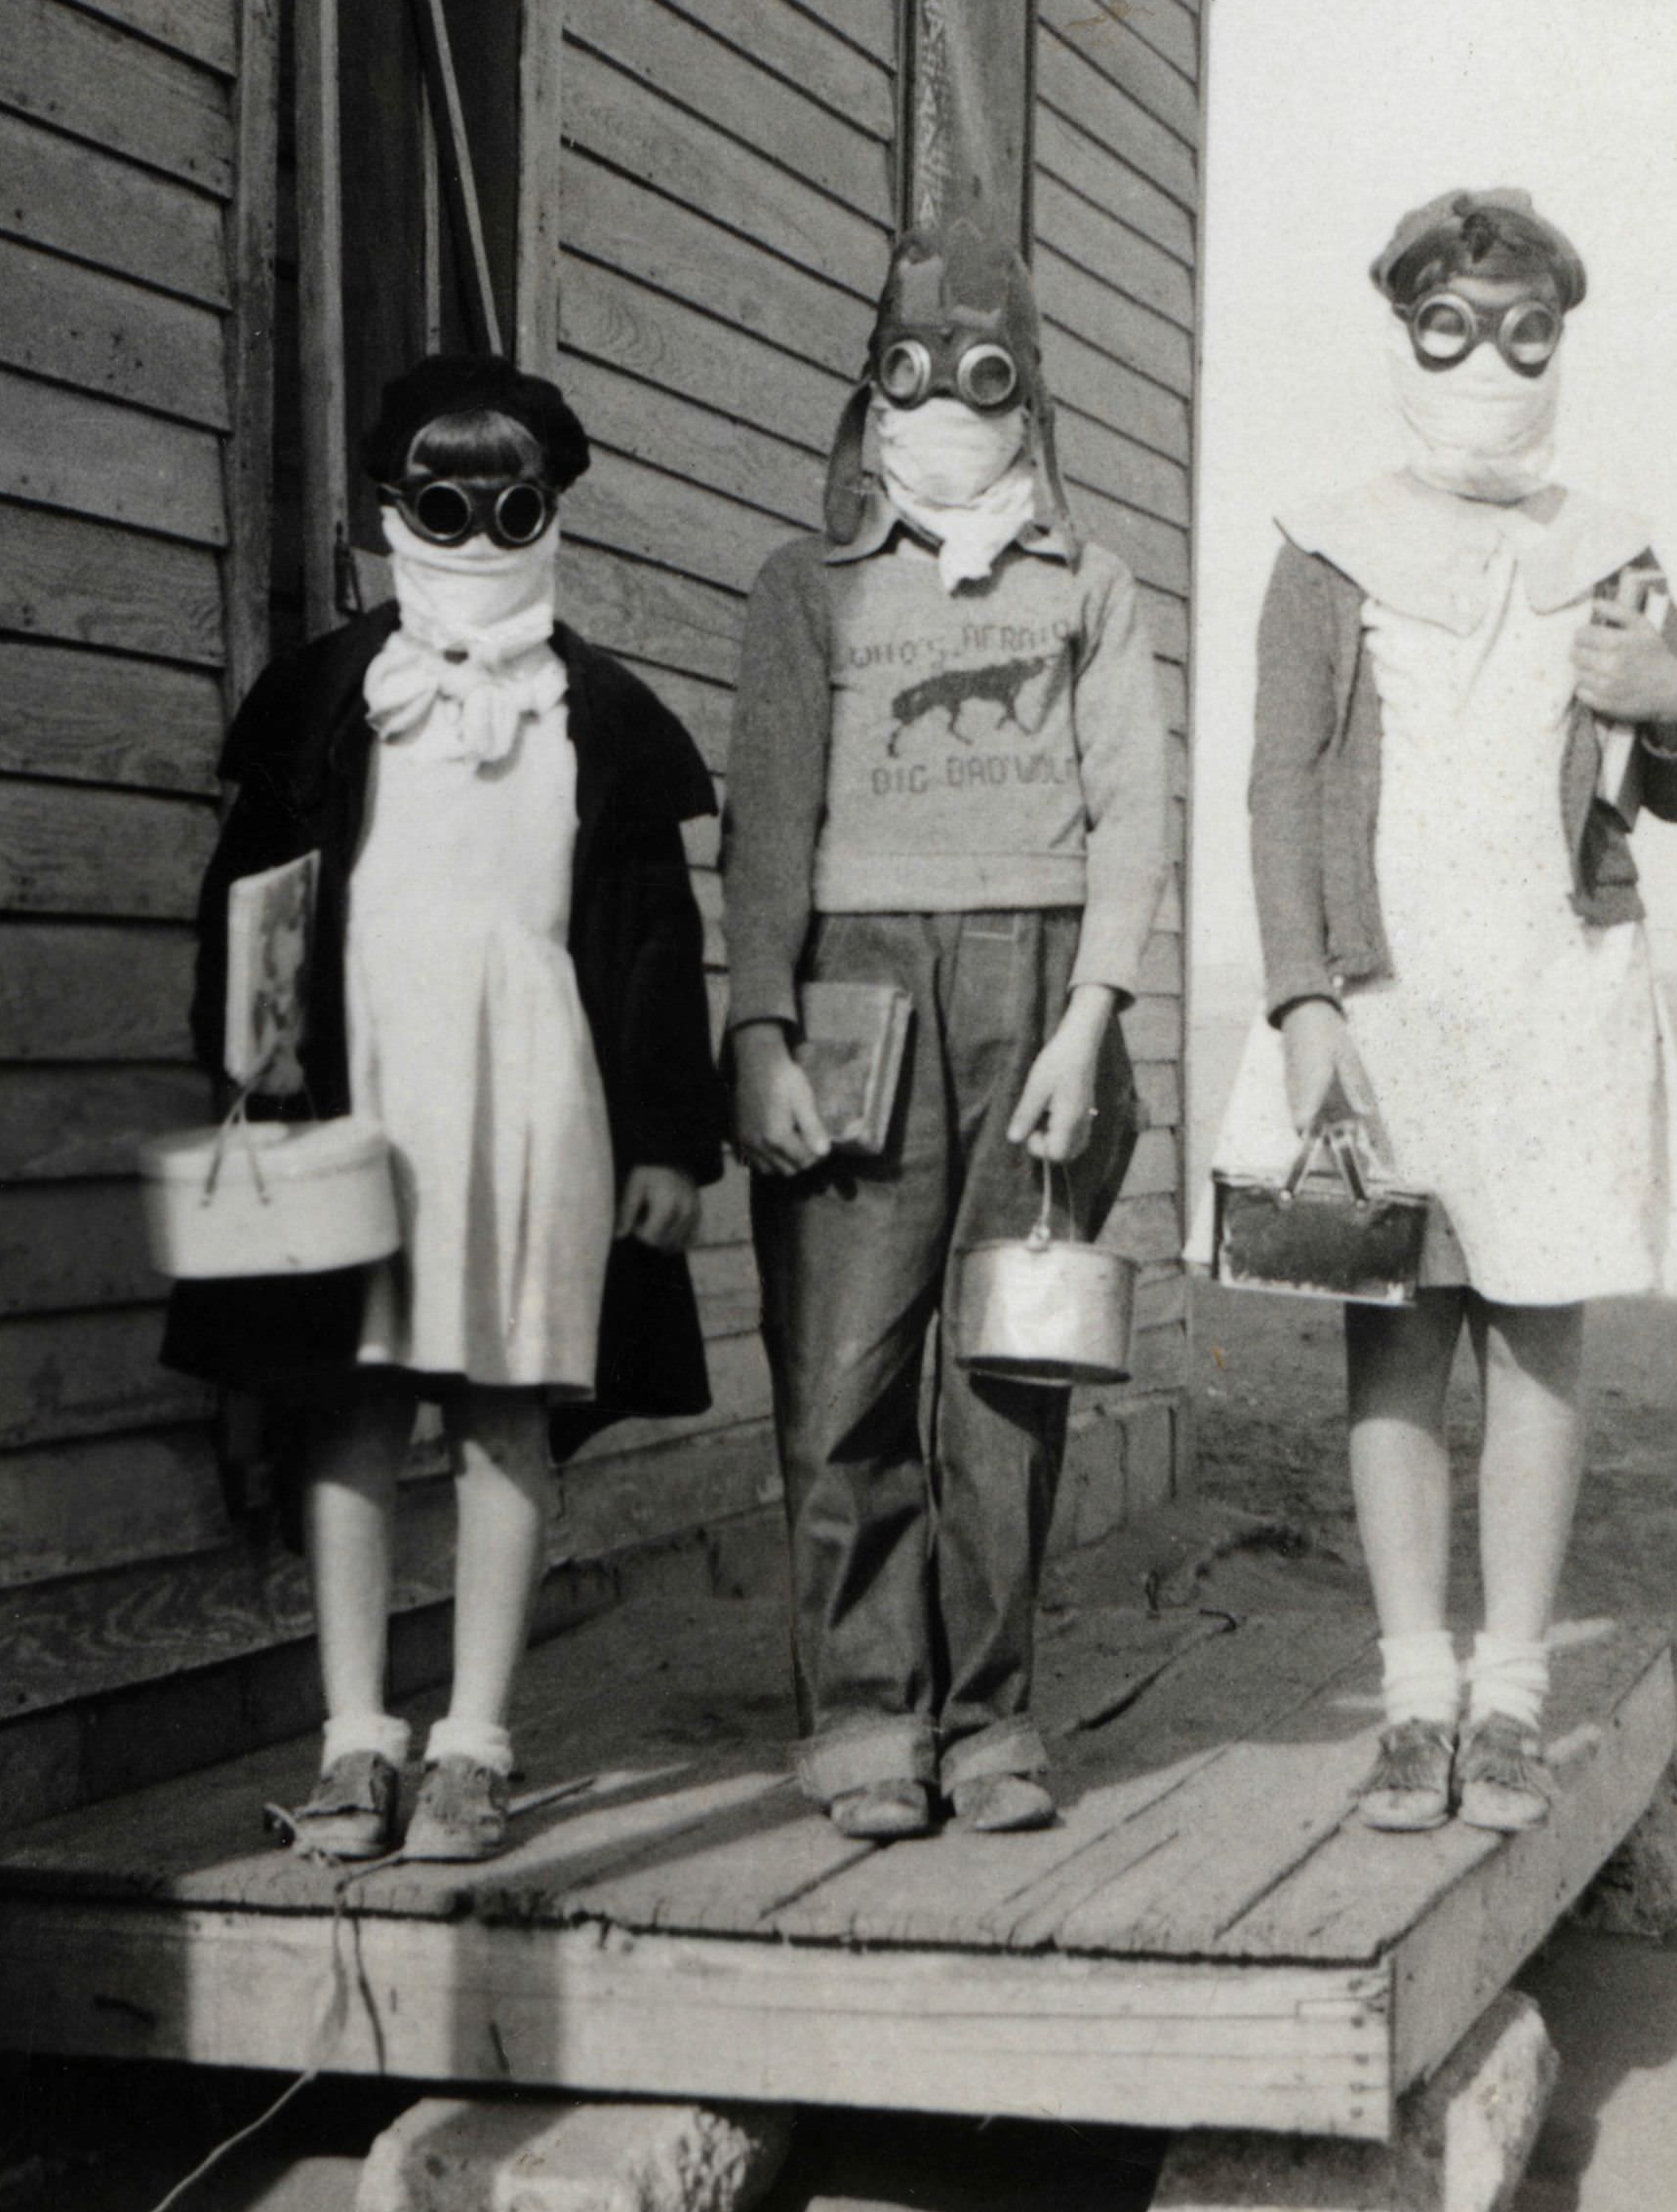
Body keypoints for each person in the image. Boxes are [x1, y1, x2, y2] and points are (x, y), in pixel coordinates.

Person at [166, 355, 728, 1865]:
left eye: (511, 505)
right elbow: (251, 906)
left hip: (532, 1096)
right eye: (443, 503)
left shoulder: (596, 717)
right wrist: (253, 1077)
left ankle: (474, 1741)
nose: (477, 535)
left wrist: (671, 1136)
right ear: (392, 509)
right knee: (342, 1405)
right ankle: (356, 1734)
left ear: (552, 512)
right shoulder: (329, 703)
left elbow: (656, 944)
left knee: (500, 1411)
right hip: (357, 1089)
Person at [1221, 187, 1677, 1837]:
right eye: (1455, 327)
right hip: (1389, 1004)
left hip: (1554, 999)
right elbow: (1278, 784)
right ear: (1405, 334)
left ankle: (1510, 1690)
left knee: (1540, 1331)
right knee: (1395, 1338)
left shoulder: (1612, 548)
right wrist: (1304, 1000)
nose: (1492, 361)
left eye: (1527, 331)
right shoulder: (1327, 541)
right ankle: (1413, 1691)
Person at [723, 221, 1170, 1841]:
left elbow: (1132, 814)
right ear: (870, 388)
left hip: (1037, 998)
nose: (944, 406)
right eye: (909, 373)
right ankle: (860, 1716)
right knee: (843, 1366)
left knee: (1008, 1361)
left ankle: (987, 1715)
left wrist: (1092, 1017)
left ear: (1030, 396)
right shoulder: (805, 590)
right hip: (854, 987)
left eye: (983, 376)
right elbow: (767, 824)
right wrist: (761, 1025)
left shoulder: (1092, 587)